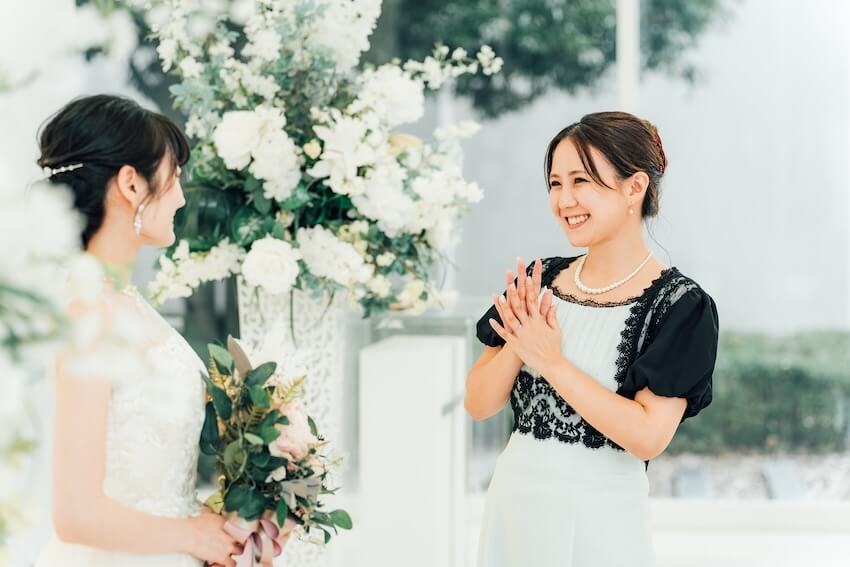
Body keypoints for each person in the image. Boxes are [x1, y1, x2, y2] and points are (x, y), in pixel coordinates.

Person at [466, 111, 720, 567]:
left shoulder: (682, 307)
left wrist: (552, 362)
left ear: (634, 188)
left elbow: (647, 436)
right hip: (514, 509)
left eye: (581, 180)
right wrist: (521, 346)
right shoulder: (538, 280)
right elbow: (479, 403)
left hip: (602, 524)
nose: (565, 199)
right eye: (555, 183)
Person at [33, 94, 241, 567]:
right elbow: (75, 514)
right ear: (130, 183)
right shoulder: (86, 313)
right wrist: (194, 535)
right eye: (175, 177)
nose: (182, 197)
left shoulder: (123, 301)